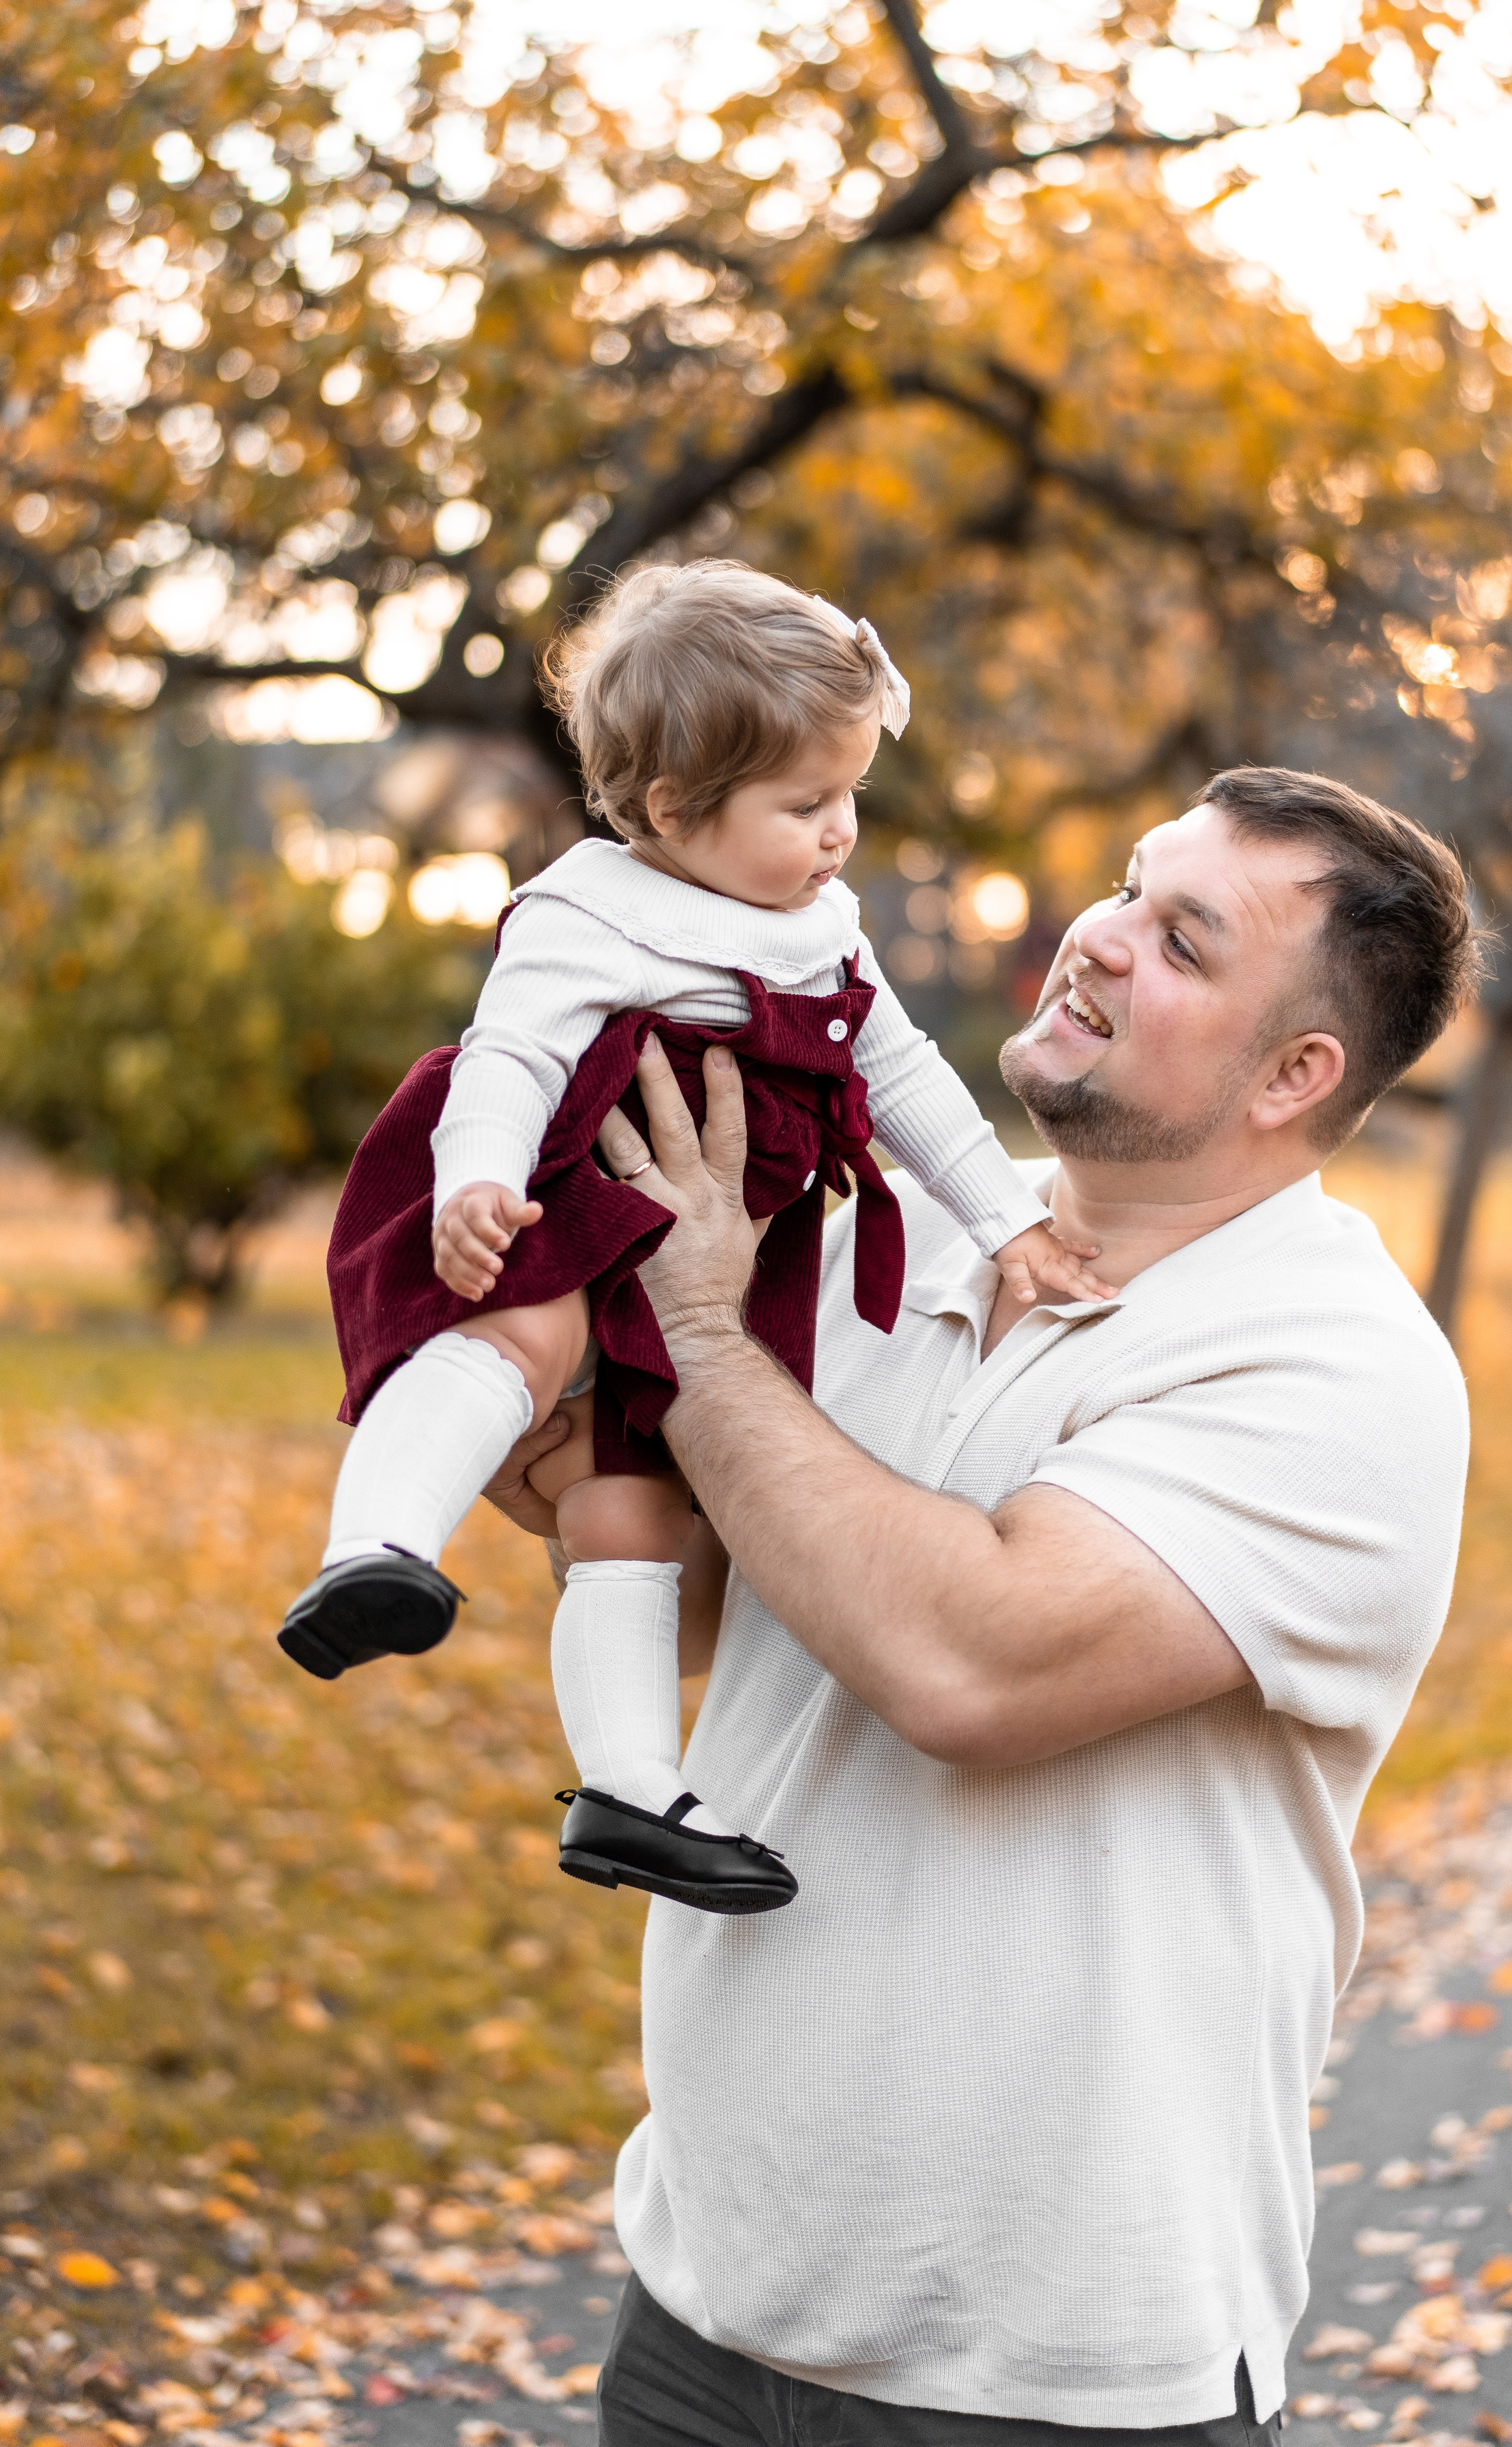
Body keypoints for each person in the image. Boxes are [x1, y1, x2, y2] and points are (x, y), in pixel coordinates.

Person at [486, 765, 1479, 2447]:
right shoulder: (898, 1233)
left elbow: (969, 1662)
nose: (1097, 936)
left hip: (1052, 2369)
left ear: (1292, 1074)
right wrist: (576, 1471)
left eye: (1181, 939)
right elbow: (745, 1606)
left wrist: (703, 1338)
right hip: (709, 2292)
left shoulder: (1336, 1364)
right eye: (1126, 882)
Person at [276, 561, 1107, 1914]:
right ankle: (376, 1548)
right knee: (523, 1340)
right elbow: (506, 1057)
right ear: (672, 810)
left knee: (637, 1505)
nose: (841, 831)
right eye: (805, 804)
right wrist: (478, 1180)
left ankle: (629, 1788)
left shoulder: (823, 928)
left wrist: (1006, 1220)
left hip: (710, 1247)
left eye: (849, 794)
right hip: (567, 1193)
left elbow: (900, 1076)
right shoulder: (589, 908)